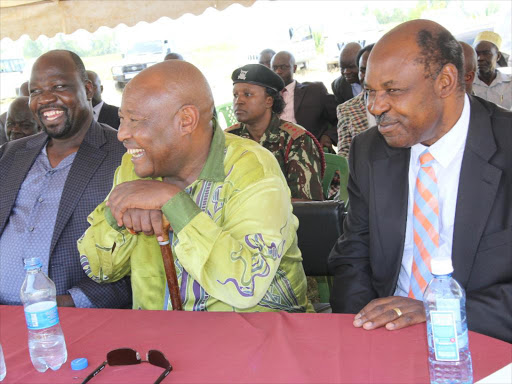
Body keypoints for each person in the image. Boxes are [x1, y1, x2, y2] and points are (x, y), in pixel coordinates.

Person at [77, 59, 312, 313]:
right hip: (160, 339)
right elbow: (99, 270)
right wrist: (117, 211)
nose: (121, 134)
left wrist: (174, 202)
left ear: (186, 120)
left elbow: (246, 286)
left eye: (135, 120)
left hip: (255, 337)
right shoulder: (132, 166)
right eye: (122, 119)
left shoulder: (252, 168)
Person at [328, 19, 512, 343]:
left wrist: (441, 311)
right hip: (386, 338)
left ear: (445, 81)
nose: (375, 107)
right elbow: (352, 255)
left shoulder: (506, 146)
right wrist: (366, 332)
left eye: (393, 90)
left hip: (486, 340)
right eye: (370, 91)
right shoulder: (368, 150)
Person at [0, 50, 130, 308]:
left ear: (88, 89)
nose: (46, 99)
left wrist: (71, 302)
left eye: (58, 86)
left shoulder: (122, 157)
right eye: (36, 91)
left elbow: (142, 257)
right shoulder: (10, 155)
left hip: (73, 318)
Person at [226, 63, 324, 201]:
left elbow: (307, 204)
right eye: (235, 95)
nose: (239, 101)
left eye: (247, 95)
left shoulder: (296, 140)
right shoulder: (229, 138)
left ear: (269, 101)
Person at [271, 51, 338, 149]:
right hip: (276, 150)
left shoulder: (315, 91)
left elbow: (340, 118)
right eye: (275, 68)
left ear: (294, 68)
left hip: (308, 150)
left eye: (283, 67)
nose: (278, 71)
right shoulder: (267, 95)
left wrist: (328, 136)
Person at [336, 44, 375, 158]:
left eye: (371, 68)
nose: (366, 75)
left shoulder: (403, 102)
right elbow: (344, 152)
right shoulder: (346, 109)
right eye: (362, 70)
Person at [472, 31, 512, 110]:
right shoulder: (468, 85)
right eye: (477, 54)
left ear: (498, 56)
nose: (480, 58)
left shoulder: (509, 83)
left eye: (486, 53)